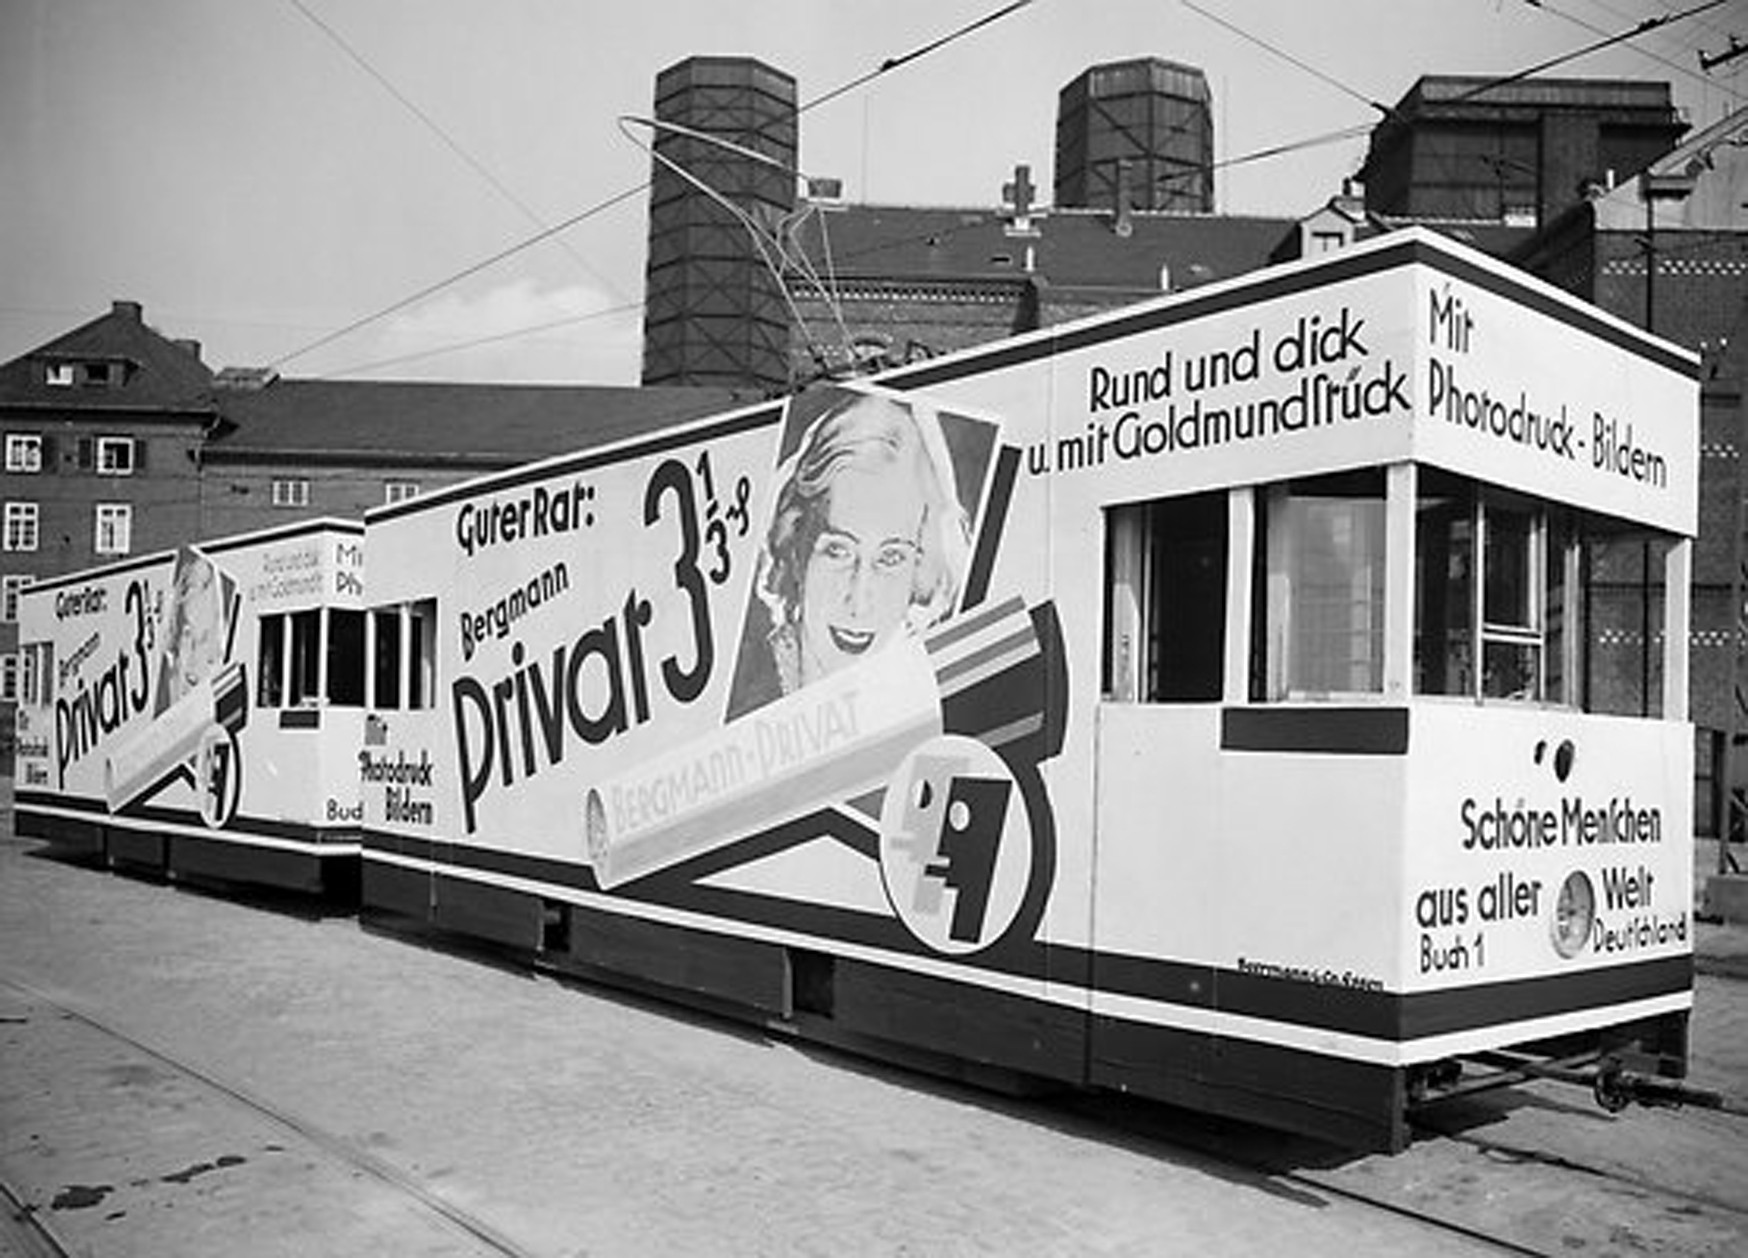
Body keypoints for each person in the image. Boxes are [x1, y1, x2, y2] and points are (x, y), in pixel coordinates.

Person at [730, 392, 971, 716]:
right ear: (796, 553)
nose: (859, 602)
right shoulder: (742, 700)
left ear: (919, 570)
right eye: (838, 551)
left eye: (891, 558)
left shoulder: (933, 704)